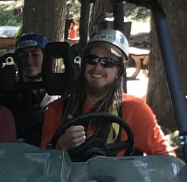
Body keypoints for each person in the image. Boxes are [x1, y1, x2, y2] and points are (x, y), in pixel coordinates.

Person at [40, 29, 172, 158]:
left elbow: (165, 157)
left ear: (119, 70)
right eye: (92, 59)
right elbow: (43, 159)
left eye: (107, 63)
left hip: (119, 179)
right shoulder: (58, 109)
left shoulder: (135, 109)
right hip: (70, 179)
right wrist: (62, 143)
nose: (97, 68)